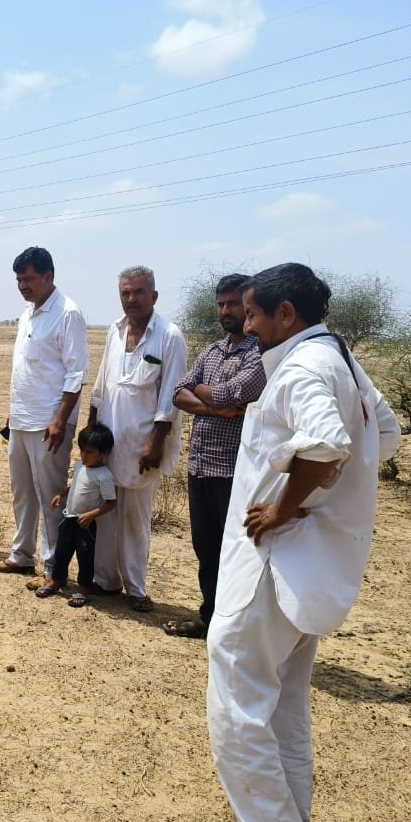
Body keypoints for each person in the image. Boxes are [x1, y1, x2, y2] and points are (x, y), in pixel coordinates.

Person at [198, 263, 400, 822]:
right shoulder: (341, 360)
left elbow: (328, 444)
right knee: (282, 707)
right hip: (303, 569)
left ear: (286, 314)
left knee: (237, 706)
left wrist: (285, 507)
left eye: (254, 314)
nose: (247, 326)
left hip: (272, 563)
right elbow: (383, 435)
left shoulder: (305, 366)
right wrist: (323, 496)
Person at [166, 273, 266, 639]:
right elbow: (178, 392)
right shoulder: (212, 351)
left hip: (234, 471)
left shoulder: (259, 353)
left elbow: (233, 393)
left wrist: (208, 394)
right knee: (206, 551)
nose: (226, 310)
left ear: (250, 306)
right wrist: (217, 409)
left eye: (234, 304)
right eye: (221, 304)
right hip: (201, 466)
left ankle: (234, 626)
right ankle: (209, 617)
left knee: (236, 552)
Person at [0, 246, 89, 580]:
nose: (22, 285)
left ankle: (53, 568)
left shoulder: (68, 313)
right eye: (18, 279)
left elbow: (76, 374)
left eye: (28, 279)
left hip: (49, 424)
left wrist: (60, 419)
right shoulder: (26, 314)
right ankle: (21, 556)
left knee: (50, 497)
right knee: (23, 493)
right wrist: (12, 415)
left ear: (48, 276)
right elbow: (26, 371)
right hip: (21, 420)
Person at [86, 266, 187, 612]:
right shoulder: (115, 331)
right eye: (125, 293)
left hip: (144, 444)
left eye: (139, 292)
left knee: (135, 519)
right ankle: (106, 581)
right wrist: (90, 433)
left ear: (154, 296)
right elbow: (101, 385)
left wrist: (156, 441)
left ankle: (136, 588)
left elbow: (171, 394)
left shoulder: (169, 335)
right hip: (109, 442)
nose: (131, 299)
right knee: (106, 513)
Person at [35, 424, 117, 604]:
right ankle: (57, 580)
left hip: (85, 523)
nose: (84, 455)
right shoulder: (81, 465)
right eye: (82, 450)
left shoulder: (104, 476)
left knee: (85, 556)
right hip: (69, 518)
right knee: (62, 551)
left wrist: (91, 515)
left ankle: (83, 587)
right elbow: (75, 485)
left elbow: (111, 503)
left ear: (104, 453)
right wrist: (61, 494)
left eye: (90, 452)